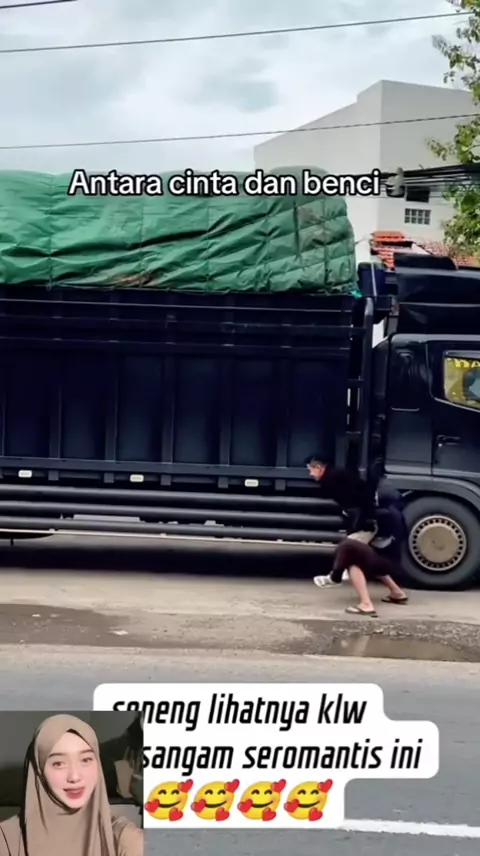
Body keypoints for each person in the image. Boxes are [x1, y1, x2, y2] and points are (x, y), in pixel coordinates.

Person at [0, 714, 143, 856]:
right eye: (58, 763)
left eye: (86, 760)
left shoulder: (127, 840)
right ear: (39, 770)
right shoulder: (6, 839)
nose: (75, 777)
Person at [315, 482, 409, 616]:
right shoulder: (395, 513)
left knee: (349, 551)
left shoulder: (382, 515)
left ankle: (365, 604)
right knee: (361, 552)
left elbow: (362, 526)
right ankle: (397, 593)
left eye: (375, 496)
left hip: (386, 562)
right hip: (391, 561)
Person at [305, 453, 378, 544]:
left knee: (352, 545)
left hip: (363, 520)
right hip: (363, 517)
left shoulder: (331, 479)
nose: (310, 474)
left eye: (310, 470)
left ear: (318, 468)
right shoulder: (335, 475)